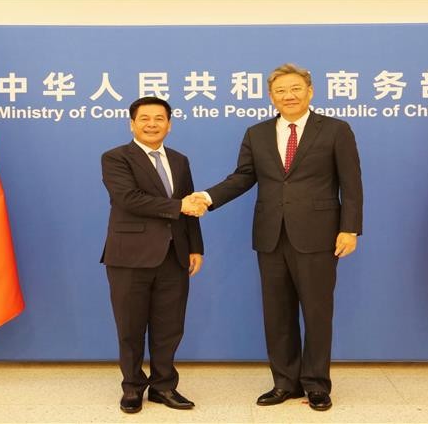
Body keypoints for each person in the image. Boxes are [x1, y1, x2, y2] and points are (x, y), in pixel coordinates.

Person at [190, 63, 362, 411]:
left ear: (310, 91)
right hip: (270, 236)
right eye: (281, 90)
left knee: (316, 312)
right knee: (277, 313)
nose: (289, 95)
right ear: (271, 97)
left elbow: (351, 183)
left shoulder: (335, 129)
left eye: (296, 88)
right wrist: (207, 198)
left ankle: (316, 384)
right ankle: (285, 382)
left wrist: (350, 227)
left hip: (319, 235)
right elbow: (242, 177)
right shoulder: (257, 133)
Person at [100, 96, 207, 414]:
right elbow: (129, 198)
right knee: (131, 327)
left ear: (169, 124)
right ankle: (132, 387)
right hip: (129, 256)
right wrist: (178, 206)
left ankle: (164, 387)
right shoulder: (116, 158)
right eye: (144, 118)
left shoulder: (179, 160)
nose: (151, 124)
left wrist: (196, 246)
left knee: (169, 326)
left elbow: (189, 207)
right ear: (131, 123)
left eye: (159, 118)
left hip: (174, 255)